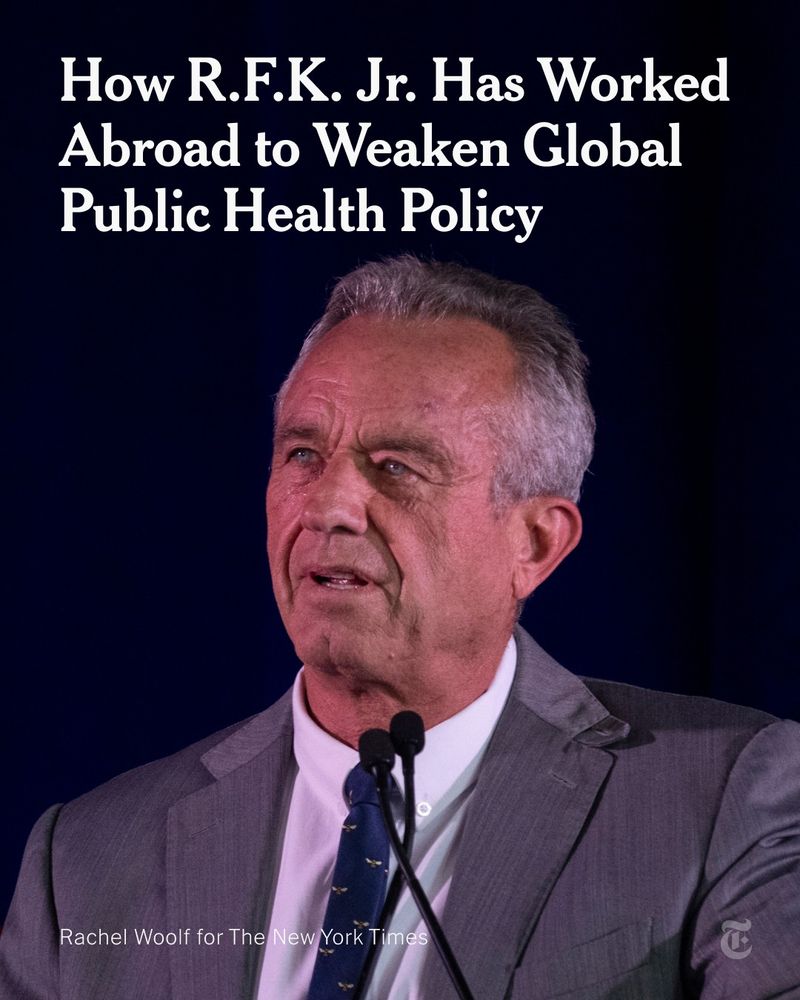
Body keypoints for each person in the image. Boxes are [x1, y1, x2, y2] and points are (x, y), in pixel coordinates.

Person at [1, 257, 798, 999]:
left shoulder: (724, 801)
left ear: (534, 543)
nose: (328, 507)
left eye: (396, 466)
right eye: (303, 454)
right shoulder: (83, 862)